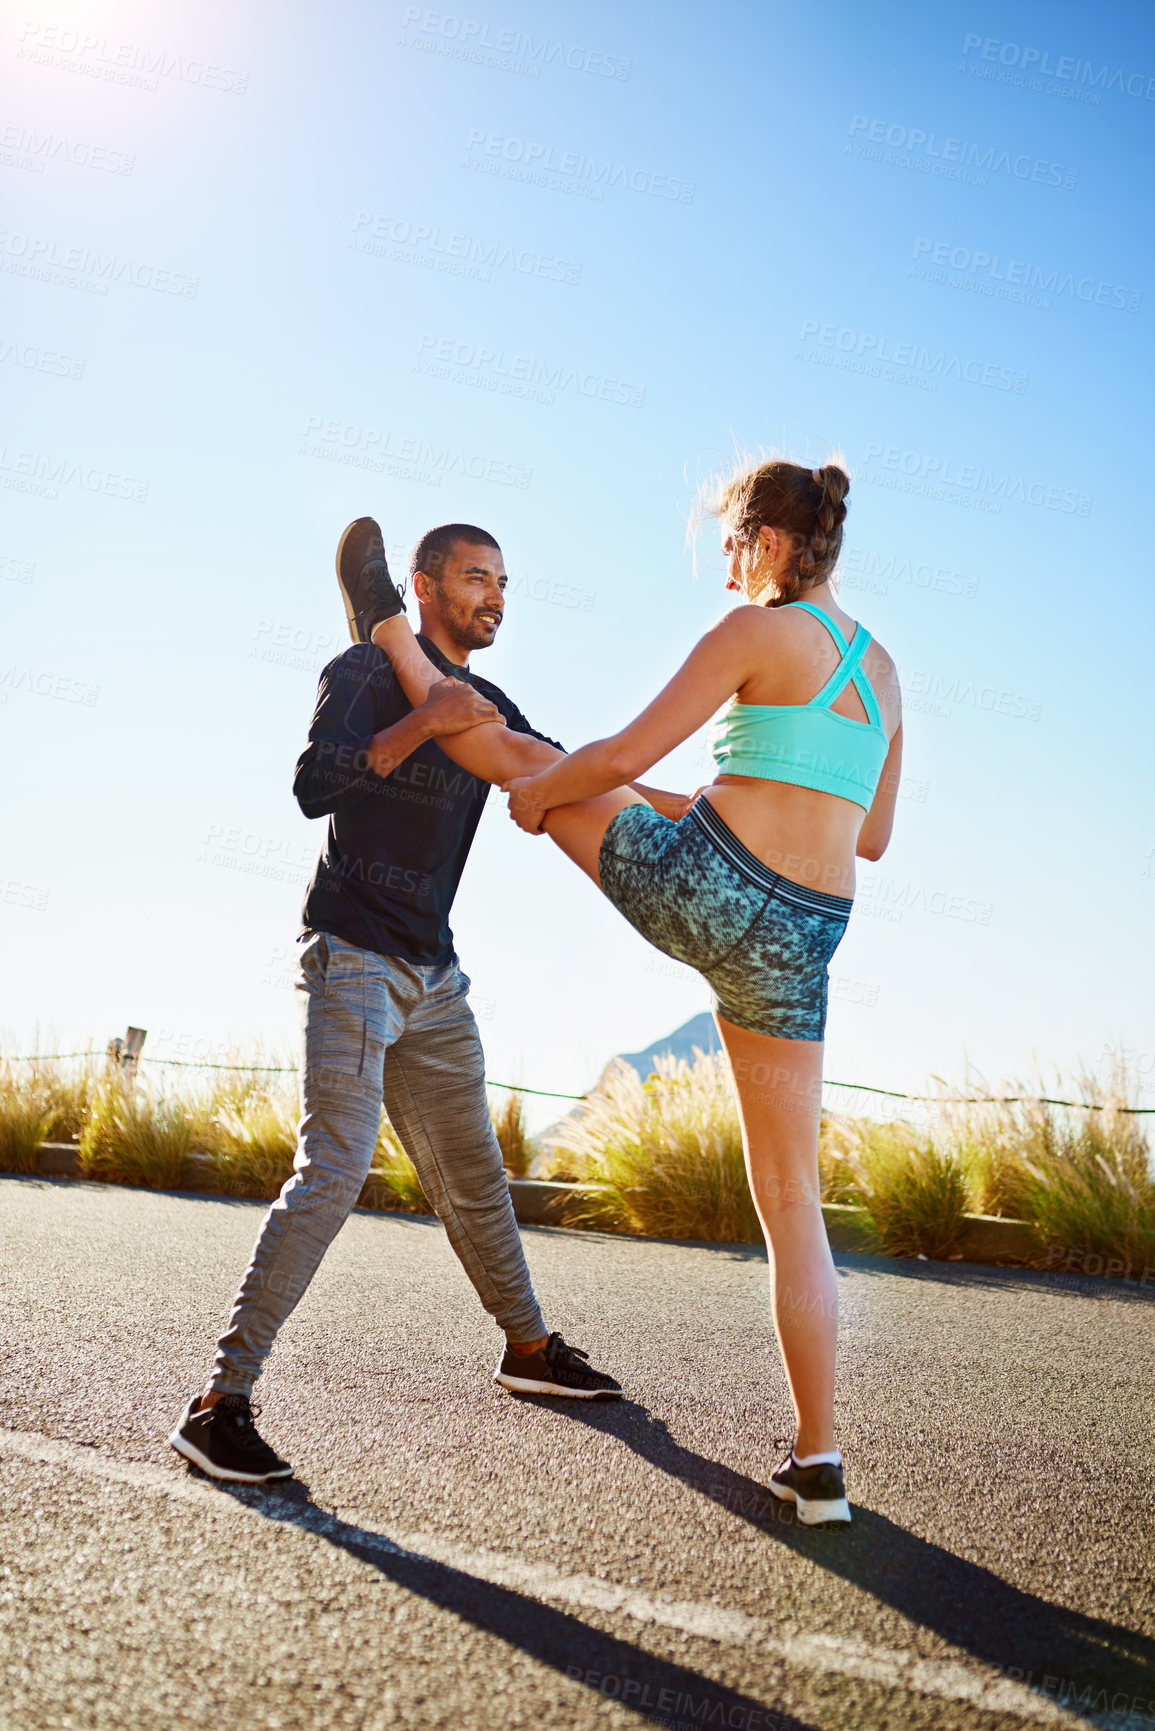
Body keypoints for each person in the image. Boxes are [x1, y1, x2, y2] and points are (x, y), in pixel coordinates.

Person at [355, 460, 903, 1525]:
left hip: (709, 886)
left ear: (770, 546)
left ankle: (391, 635)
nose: (730, 572)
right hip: (806, 932)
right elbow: (868, 836)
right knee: (792, 1202)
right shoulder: (882, 669)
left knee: (525, 752)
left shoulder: (755, 632)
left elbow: (622, 751)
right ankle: (819, 1464)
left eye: (734, 551)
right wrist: (612, 786)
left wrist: (551, 788)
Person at [169, 519, 635, 1485]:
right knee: (333, 1169)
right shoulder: (362, 672)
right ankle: (220, 1404)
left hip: (433, 972)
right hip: (350, 952)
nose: (495, 595)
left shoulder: (490, 703)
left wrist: (682, 809)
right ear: (422, 587)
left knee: (474, 1173)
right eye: (475, 577)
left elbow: (554, 768)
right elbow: (311, 785)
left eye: (504, 581)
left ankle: (528, 1349)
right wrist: (425, 720)